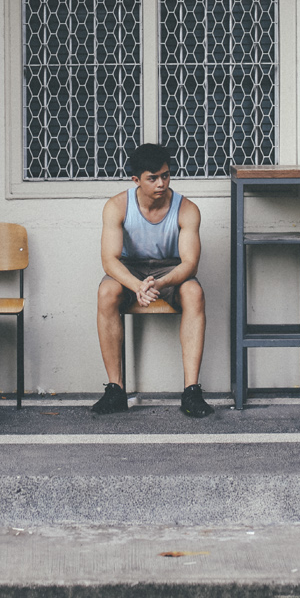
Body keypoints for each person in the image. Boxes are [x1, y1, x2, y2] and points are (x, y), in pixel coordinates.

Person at [92, 143, 214, 418]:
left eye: (166, 175)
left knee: (194, 293)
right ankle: (115, 390)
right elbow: (110, 260)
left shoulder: (187, 209)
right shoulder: (117, 206)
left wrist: (158, 284)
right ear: (136, 180)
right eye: (153, 178)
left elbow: (190, 264)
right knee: (106, 292)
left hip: (170, 270)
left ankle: (191, 391)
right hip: (129, 268)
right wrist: (137, 285)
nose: (161, 183)